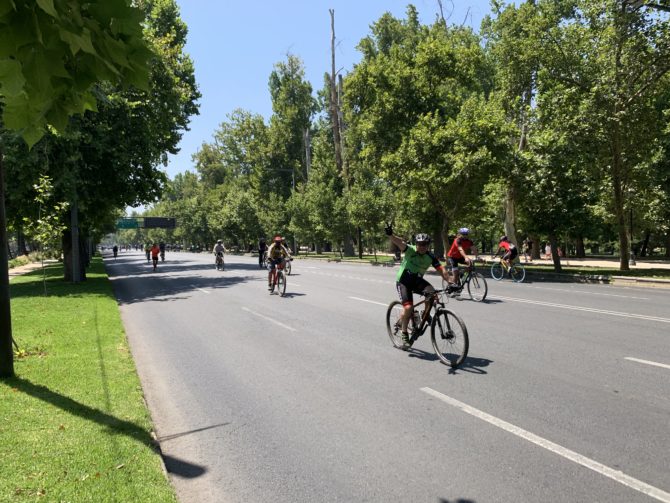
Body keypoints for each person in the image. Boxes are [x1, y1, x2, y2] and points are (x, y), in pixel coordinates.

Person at [385, 224, 450, 349]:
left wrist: (451, 282)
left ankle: (425, 316)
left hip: (417, 280)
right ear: (416, 244)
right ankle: (404, 332)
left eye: (425, 244)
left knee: (433, 296)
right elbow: (399, 242)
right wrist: (390, 235)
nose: (422, 247)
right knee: (408, 307)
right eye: (419, 244)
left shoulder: (430, 256)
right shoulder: (410, 250)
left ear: (428, 245)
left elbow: (442, 271)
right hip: (403, 282)